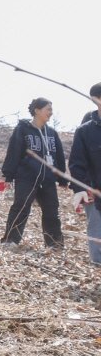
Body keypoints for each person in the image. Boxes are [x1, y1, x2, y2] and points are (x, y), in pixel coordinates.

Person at [0, 97, 67, 249]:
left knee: (52, 210)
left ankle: (54, 244)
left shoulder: (52, 133)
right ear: (37, 110)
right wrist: (8, 175)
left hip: (48, 179)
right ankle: (10, 241)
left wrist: (62, 178)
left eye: (51, 109)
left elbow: (59, 157)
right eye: (48, 109)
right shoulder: (22, 130)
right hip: (26, 177)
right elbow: (14, 152)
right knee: (21, 207)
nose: (51, 113)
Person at [69, 83, 101, 265]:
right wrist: (81, 188)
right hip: (94, 192)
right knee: (97, 231)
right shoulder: (85, 131)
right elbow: (76, 163)